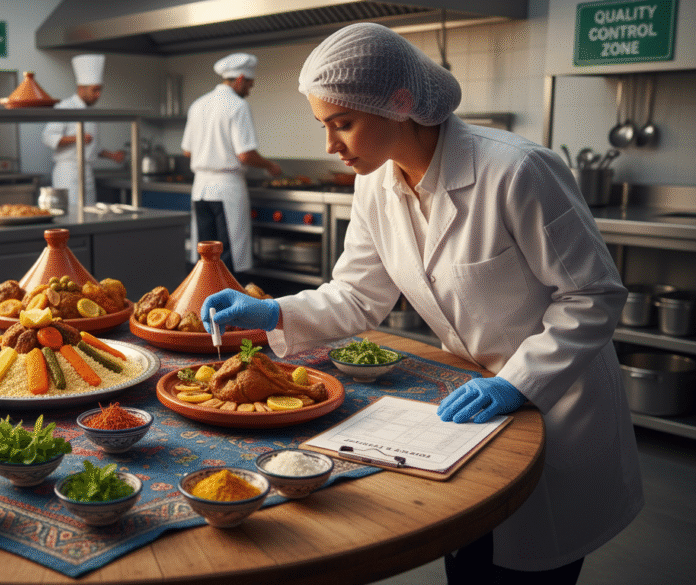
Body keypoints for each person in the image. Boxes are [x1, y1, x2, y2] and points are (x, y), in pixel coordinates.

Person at [202, 23, 643, 584]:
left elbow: (594, 296)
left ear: (399, 103)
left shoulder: (516, 170)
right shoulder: (374, 183)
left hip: (556, 403)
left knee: (528, 567)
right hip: (463, 407)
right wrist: (275, 313)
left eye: (343, 124)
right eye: (324, 125)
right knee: (467, 554)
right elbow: (360, 295)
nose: (330, 146)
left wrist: (517, 383)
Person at [181, 52, 282, 273]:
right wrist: (269, 165)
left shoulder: (198, 104)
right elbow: (245, 155)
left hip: (200, 190)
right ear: (240, 79)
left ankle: (202, 304)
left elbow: (187, 151)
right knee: (230, 257)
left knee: (205, 259)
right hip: (226, 189)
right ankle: (231, 306)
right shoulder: (237, 106)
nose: (249, 90)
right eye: (249, 84)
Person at [41, 54, 125, 212]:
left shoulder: (90, 112)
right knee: (71, 215)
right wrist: (77, 138)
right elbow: (48, 137)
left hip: (87, 172)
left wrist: (112, 156)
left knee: (88, 213)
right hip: (68, 173)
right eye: (95, 90)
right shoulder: (65, 107)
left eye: (100, 90)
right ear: (81, 88)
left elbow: (93, 146)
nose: (98, 95)